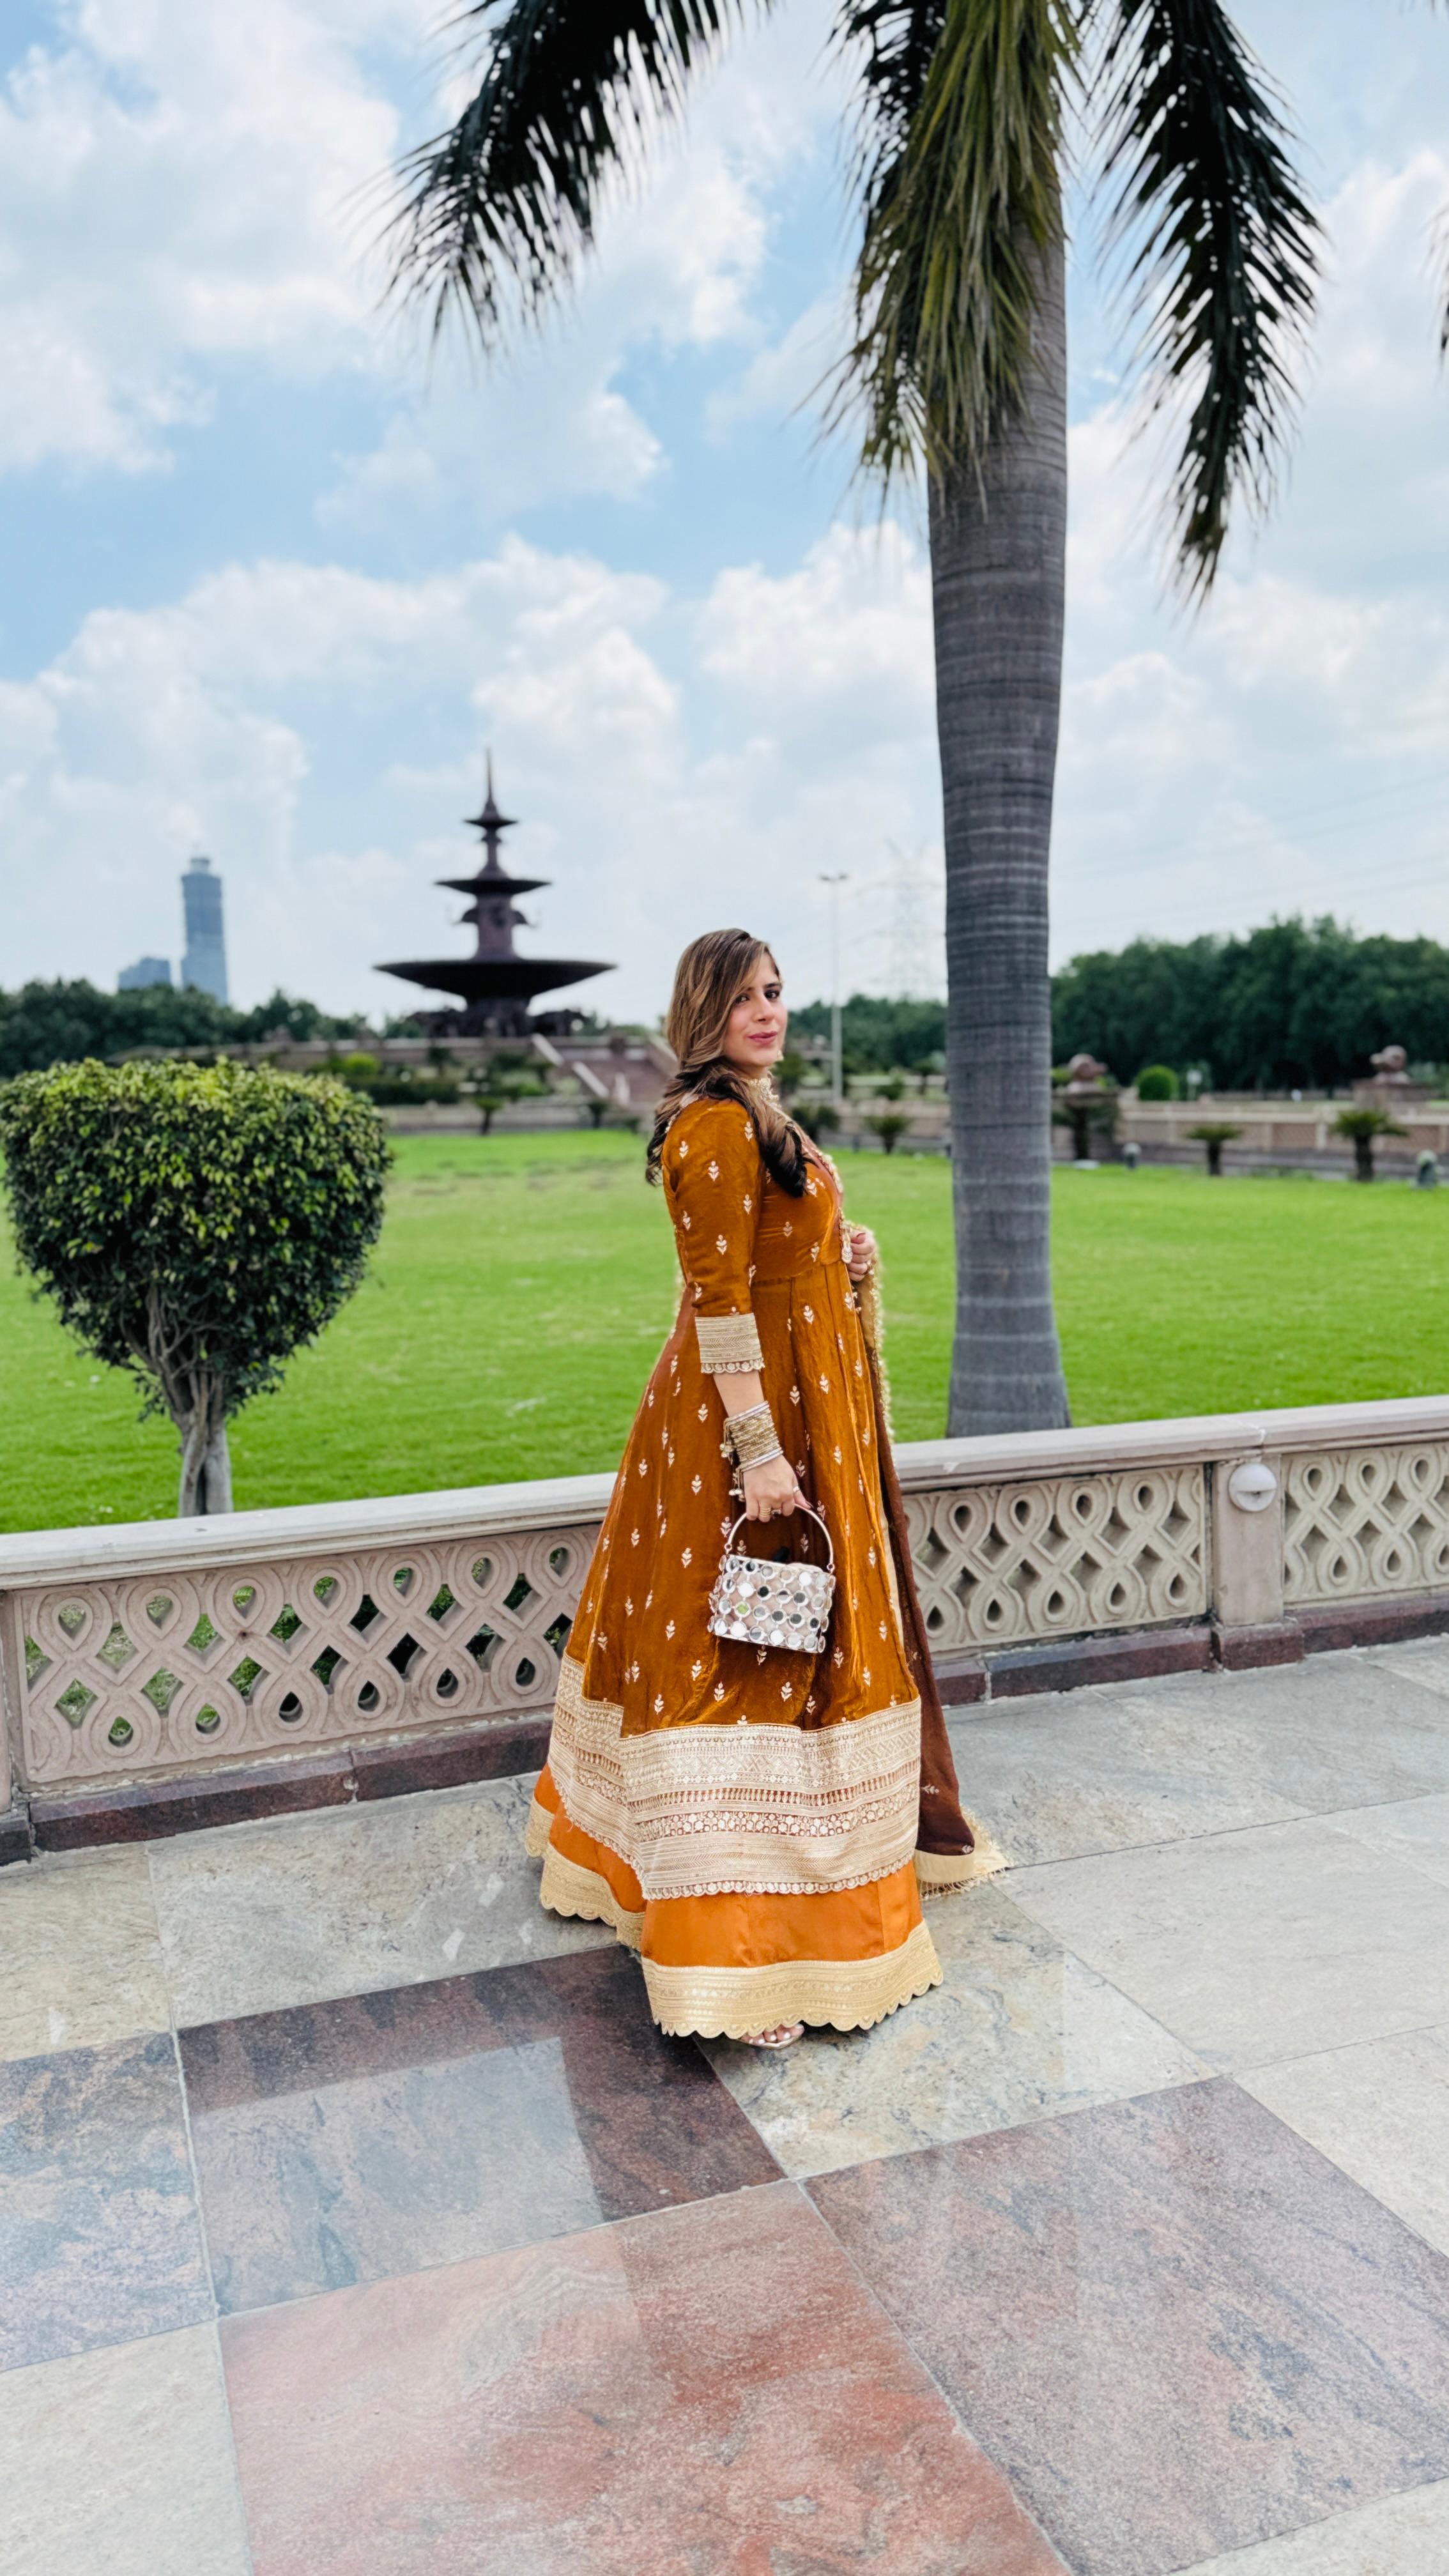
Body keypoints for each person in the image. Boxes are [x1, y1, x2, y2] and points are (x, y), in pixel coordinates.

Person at [526, 929, 1003, 2046]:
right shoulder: (709, 1127)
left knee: (804, 1656)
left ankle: (811, 1897)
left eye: (779, 993)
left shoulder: (757, 1115)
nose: (770, 1011)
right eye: (746, 998)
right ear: (704, 1009)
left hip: (803, 1404)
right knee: (740, 1660)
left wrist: (841, 1253)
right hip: (744, 1431)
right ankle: (732, 1954)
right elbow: (720, 1301)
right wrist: (762, 1453)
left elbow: (774, 1255)